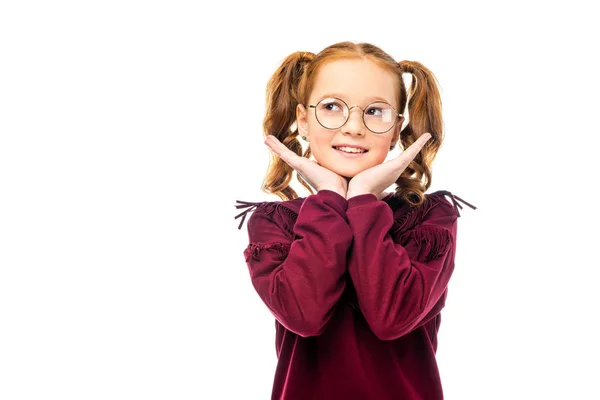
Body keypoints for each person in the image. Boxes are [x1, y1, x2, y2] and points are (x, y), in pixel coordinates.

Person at [234, 41, 476, 400]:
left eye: (375, 111)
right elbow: (304, 314)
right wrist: (331, 197)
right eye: (332, 107)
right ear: (303, 119)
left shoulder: (430, 220)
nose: (353, 127)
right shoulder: (275, 223)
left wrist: (361, 198)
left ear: (396, 130)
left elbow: (392, 317)